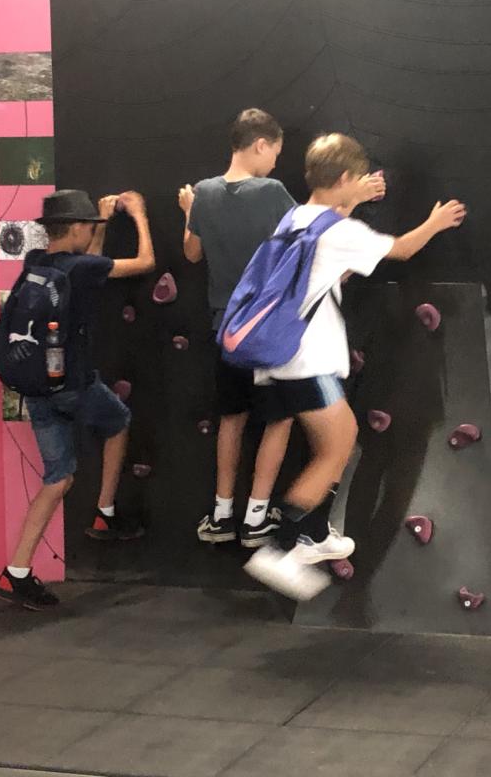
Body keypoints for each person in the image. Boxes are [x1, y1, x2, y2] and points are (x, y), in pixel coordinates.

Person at [244, 132, 466, 600]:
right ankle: (280, 549)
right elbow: (401, 249)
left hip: (285, 359)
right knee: (336, 448)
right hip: (307, 362)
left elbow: (335, 260)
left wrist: (354, 200)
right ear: (345, 176)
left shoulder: (296, 218)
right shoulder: (338, 233)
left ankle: (315, 532)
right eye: (358, 180)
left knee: (338, 443)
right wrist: (436, 222)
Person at [0, 189, 156, 609]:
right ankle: (105, 512)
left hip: (38, 390)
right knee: (118, 421)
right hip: (73, 387)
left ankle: (16, 573)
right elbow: (145, 263)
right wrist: (138, 215)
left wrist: (99, 223)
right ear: (79, 228)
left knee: (58, 479)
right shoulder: (80, 268)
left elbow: (88, 265)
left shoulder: (36, 263)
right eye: (89, 227)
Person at [179, 108, 297, 548]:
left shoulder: (205, 193)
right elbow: (303, 238)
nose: (275, 163)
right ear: (260, 144)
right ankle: (256, 517)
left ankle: (222, 513)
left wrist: (189, 212)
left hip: (224, 325)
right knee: (279, 417)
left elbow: (192, 254)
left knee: (231, 417)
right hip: (266, 327)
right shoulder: (272, 192)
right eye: (275, 153)